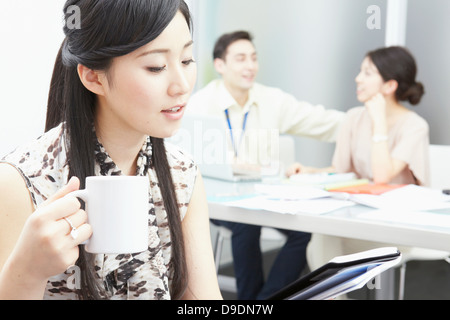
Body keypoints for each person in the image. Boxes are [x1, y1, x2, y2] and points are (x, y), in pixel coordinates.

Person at [0, 0, 222, 300]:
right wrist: (28, 272)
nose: (181, 85)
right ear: (93, 76)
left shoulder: (182, 175)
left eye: (186, 60)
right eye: (156, 66)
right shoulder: (20, 181)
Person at [186, 30, 345, 300]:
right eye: (240, 59)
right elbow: (186, 154)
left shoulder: (272, 100)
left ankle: (267, 300)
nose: (250, 66)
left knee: (303, 229)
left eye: (254, 58)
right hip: (219, 198)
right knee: (247, 224)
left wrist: (369, 122)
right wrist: (229, 162)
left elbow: (321, 121)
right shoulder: (200, 104)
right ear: (220, 65)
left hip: (266, 196)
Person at [287, 46, 429, 272]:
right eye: (360, 71)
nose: (358, 78)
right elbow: (340, 170)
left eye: (367, 73)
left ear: (390, 85)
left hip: (396, 227)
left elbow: (382, 176)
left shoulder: (415, 126)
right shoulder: (353, 118)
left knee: (325, 240)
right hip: (358, 219)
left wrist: (379, 122)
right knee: (324, 234)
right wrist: (309, 171)